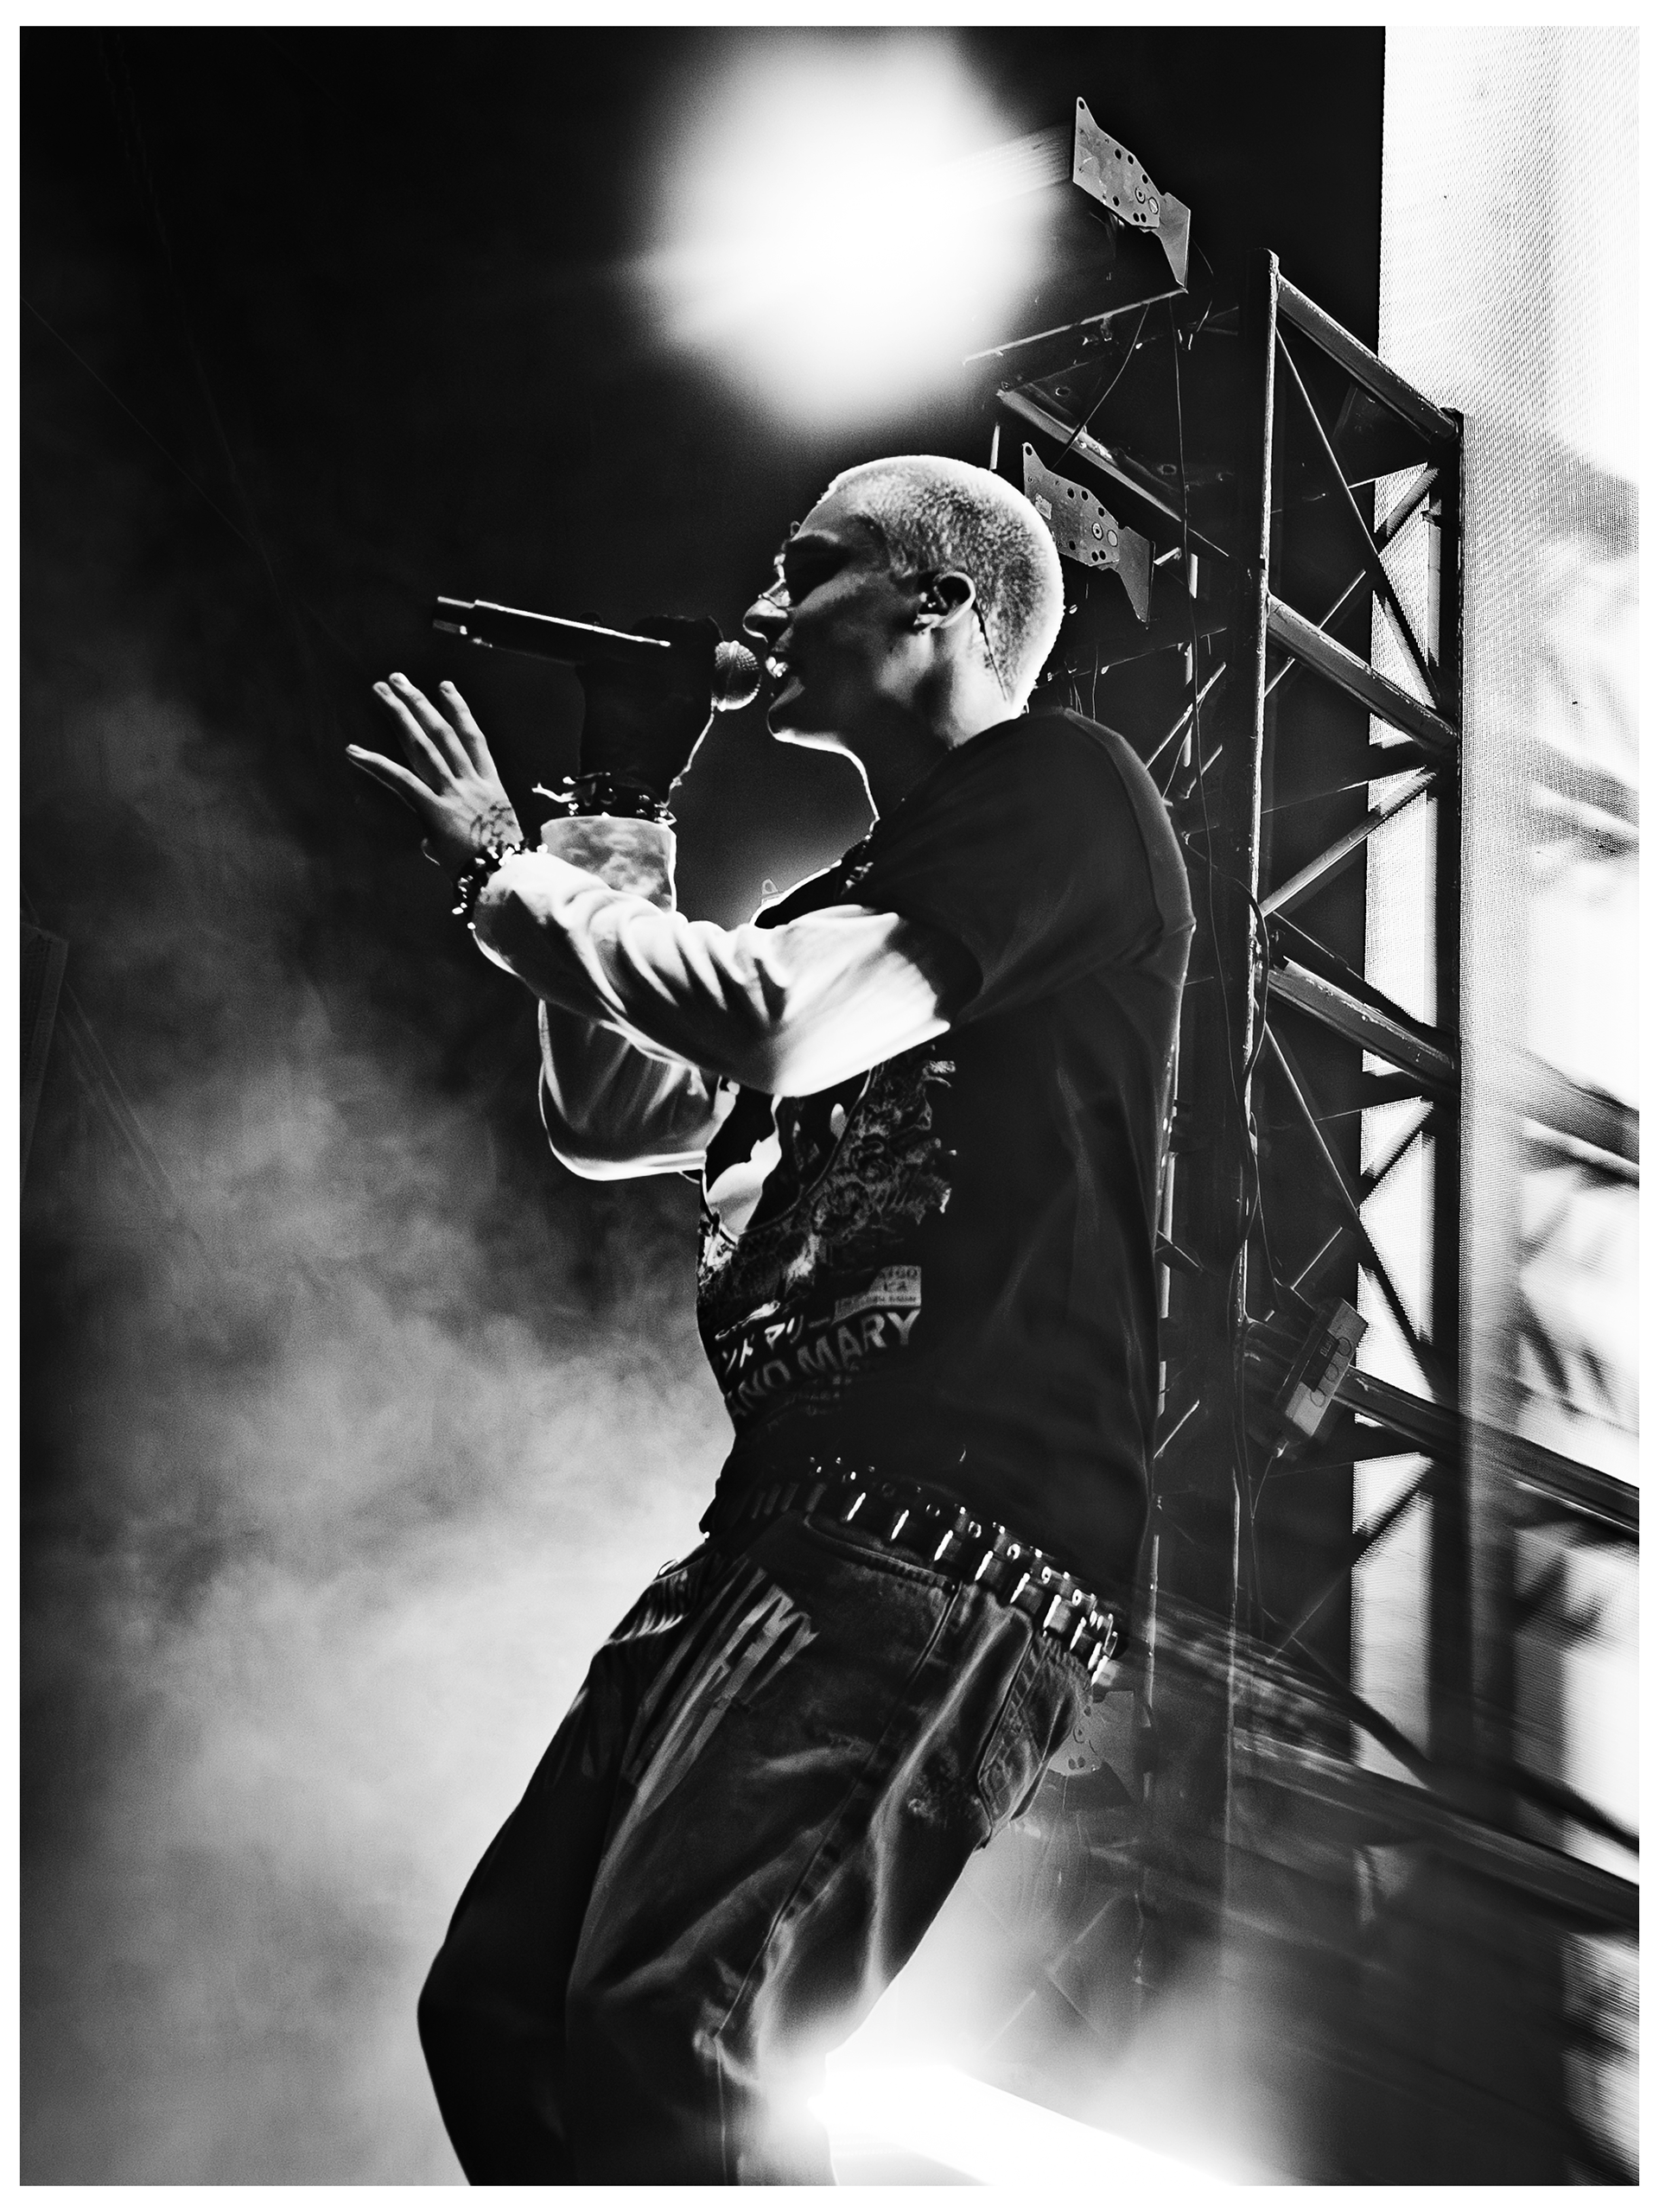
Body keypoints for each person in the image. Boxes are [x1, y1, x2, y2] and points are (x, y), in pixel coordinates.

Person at [346, 454, 1193, 2183]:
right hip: (787, 1527)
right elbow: (618, 1112)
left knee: (680, 2029)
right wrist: (606, 810)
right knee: (503, 2010)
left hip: (944, 1534)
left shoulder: (1060, 791)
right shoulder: (852, 904)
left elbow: (778, 1025)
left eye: (810, 568)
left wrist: (508, 874)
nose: (763, 605)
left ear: (939, 603)